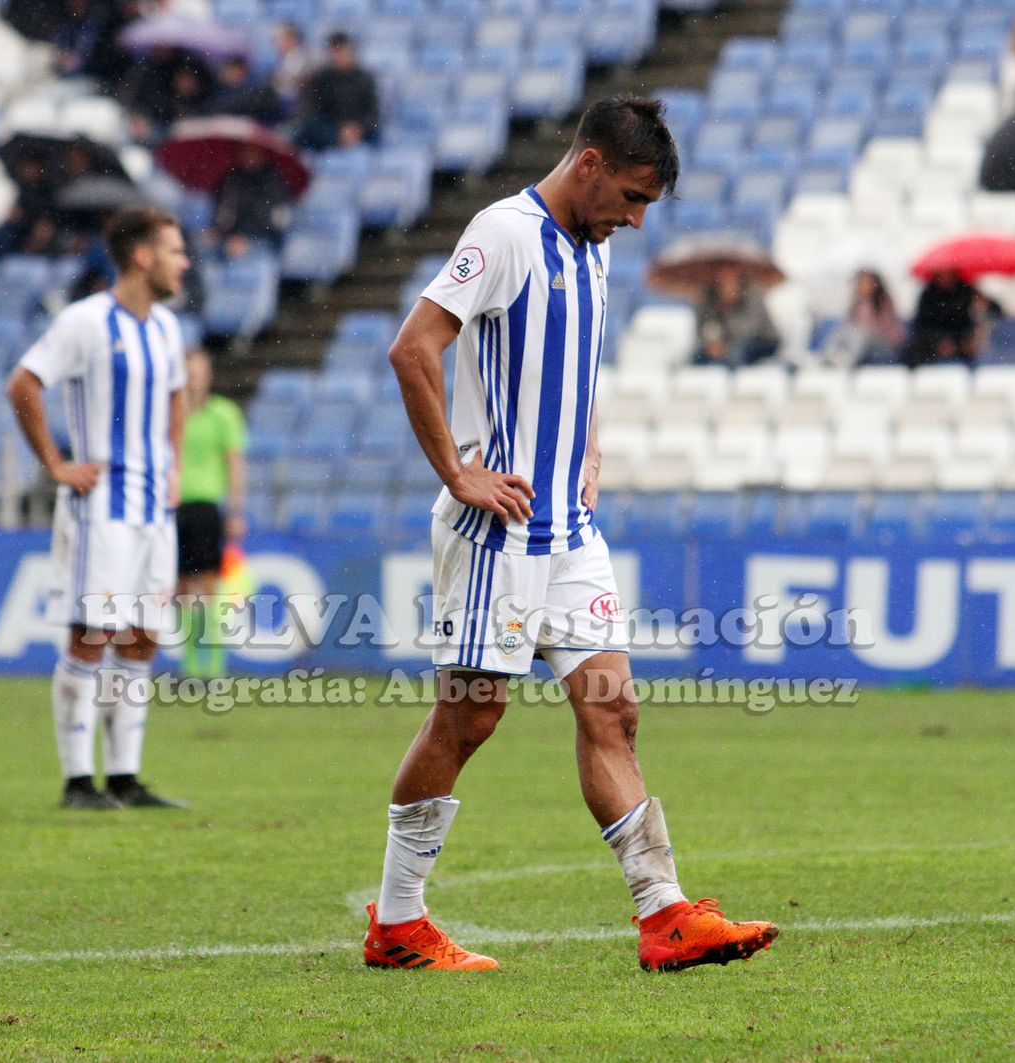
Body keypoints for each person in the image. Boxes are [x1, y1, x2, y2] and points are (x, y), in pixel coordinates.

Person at [365, 96, 778, 973]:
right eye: (631, 198)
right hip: (499, 530)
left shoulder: (592, 247)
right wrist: (458, 473)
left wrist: (588, 444)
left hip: (571, 531)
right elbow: (413, 348)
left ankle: (664, 914)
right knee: (470, 716)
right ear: (589, 163)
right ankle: (398, 922)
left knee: (613, 710)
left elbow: (570, 364)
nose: (636, 220)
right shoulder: (505, 233)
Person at [5, 206, 192, 811]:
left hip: (153, 509)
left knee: (141, 641)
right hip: (101, 507)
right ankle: (78, 780)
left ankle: (125, 777)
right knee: (91, 636)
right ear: (142, 256)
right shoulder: (84, 322)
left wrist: (175, 465)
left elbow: (177, 396)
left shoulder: (167, 328)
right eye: (174, 251)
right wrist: (56, 464)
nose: (184, 262)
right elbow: (23, 383)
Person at [175, 350, 249, 679]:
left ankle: (215, 670)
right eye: (188, 373)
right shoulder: (171, 414)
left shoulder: (224, 414)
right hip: (174, 507)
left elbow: (234, 464)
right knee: (180, 591)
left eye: (198, 372)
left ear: (208, 376)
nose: (193, 379)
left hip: (206, 508)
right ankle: (190, 668)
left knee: (208, 589)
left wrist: (235, 510)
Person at [295, 31, 380, 150]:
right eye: (336, 51)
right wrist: (337, 132)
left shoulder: (364, 79)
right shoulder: (321, 78)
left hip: (359, 130)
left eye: (342, 50)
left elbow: (373, 112)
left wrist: (358, 128)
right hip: (330, 131)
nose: (339, 55)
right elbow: (312, 110)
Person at [903, 269, 998, 368]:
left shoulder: (966, 291)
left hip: (962, 341)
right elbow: (921, 325)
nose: (945, 278)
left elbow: (995, 310)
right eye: (942, 274)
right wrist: (939, 341)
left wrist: (984, 303)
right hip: (932, 342)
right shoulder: (928, 295)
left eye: (948, 273)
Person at [690, 263, 781, 366]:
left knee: (736, 354)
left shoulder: (752, 292)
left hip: (762, 341)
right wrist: (711, 342)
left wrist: (728, 307)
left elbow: (750, 329)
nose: (725, 280)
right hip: (722, 346)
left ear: (738, 275)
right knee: (697, 357)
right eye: (721, 276)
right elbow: (702, 325)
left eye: (729, 276)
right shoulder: (708, 295)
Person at [210, 144, 291, 256]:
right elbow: (223, 211)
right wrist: (219, 231)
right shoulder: (231, 179)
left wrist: (244, 235)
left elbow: (272, 219)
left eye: (253, 152)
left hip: (264, 240)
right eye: (244, 152)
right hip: (231, 241)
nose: (248, 157)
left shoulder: (273, 183)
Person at [823, 269, 904, 367]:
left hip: (885, 345)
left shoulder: (884, 301)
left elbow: (884, 329)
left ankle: (847, 361)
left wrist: (866, 309)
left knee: (862, 333)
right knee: (841, 331)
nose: (863, 285)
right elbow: (850, 324)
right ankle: (828, 356)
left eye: (866, 282)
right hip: (862, 342)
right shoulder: (857, 302)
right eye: (861, 282)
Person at [213, 55, 282, 126]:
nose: (229, 74)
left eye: (233, 70)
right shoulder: (218, 89)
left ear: (241, 70)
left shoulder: (259, 89)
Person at [271, 21, 311, 111]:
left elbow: (292, 87)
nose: (277, 44)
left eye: (280, 39)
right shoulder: (285, 58)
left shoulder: (300, 58)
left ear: (291, 39)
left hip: (298, 107)